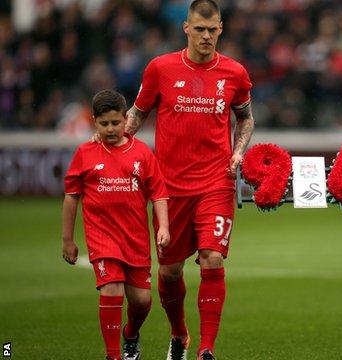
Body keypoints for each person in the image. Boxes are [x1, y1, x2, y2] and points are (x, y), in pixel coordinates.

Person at [123, 1, 254, 359]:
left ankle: (207, 349)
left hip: (216, 182)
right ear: (186, 28)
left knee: (212, 257)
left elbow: (245, 118)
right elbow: (137, 115)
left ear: (221, 29)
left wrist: (238, 151)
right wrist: (113, 147)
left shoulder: (234, 72)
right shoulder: (160, 68)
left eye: (212, 30)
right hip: (169, 188)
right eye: (199, 29)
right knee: (168, 271)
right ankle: (179, 335)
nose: (206, 36)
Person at [62, 89, 170, 360]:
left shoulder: (142, 154)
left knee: (142, 301)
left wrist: (164, 228)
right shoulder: (85, 153)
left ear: (126, 119)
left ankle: (131, 334)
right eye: (104, 123)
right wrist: (68, 239)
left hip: (135, 238)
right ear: (94, 122)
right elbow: (72, 196)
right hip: (102, 237)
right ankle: (113, 355)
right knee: (112, 289)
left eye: (115, 123)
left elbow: (158, 193)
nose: (110, 129)